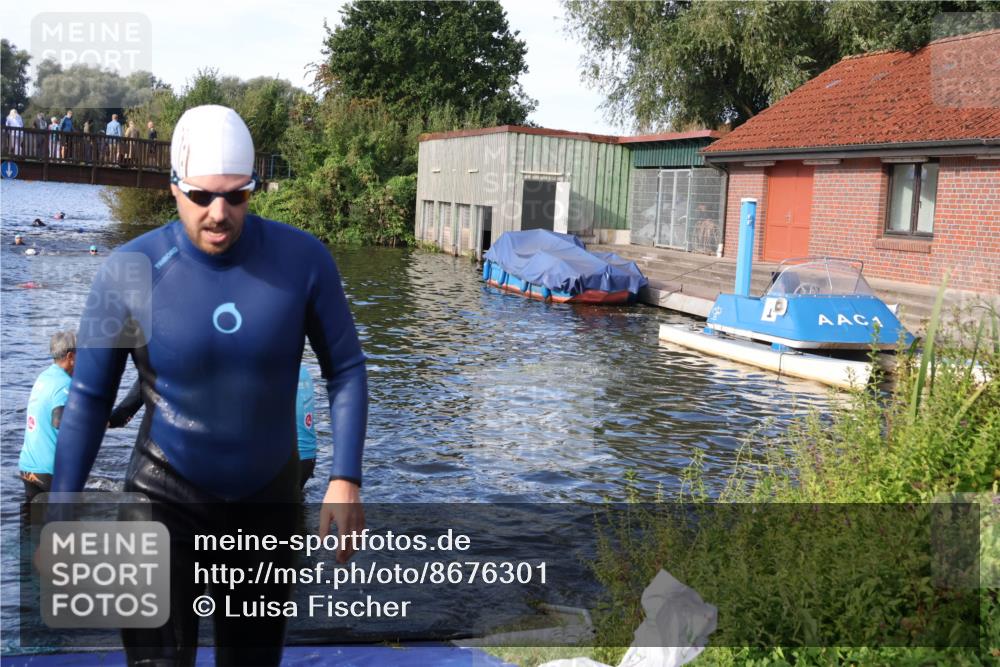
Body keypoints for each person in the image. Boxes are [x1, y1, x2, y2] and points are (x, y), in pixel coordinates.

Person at [51, 105, 368, 666]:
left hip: (266, 501)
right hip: (160, 496)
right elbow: (90, 397)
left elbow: (345, 369)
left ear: (254, 187)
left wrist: (345, 478)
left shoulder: (304, 261)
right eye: (201, 196)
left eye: (236, 196)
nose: (219, 213)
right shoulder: (127, 270)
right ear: (174, 186)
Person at [19, 331, 76, 503]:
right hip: (50, 471)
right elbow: (58, 420)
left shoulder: (43, 377)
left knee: (31, 526)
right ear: (70, 356)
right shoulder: (64, 384)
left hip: (28, 468)